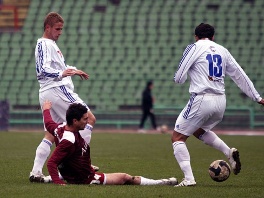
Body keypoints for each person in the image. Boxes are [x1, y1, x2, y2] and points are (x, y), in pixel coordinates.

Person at [172, 23, 264, 187]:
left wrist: (184, 77)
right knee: (198, 130)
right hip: (220, 101)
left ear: (196, 36)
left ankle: (189, 179)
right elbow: (239, 74)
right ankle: (228, 152)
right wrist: (257, 98)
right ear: (213, 37)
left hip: (201, 98)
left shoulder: (194, 47)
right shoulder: (222, 50)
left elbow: (179, 78)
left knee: (177, 138)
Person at [29, 12, 98, 183]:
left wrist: (73, 70)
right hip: (57, 89)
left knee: (51, 134)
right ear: (48, 28)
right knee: (89, 119)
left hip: (48, 92)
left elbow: (58, 67)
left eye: (61, 29)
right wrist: (62, 73)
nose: (60, 32)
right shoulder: (45, 44)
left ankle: (36, 172)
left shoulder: (49, 44)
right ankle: (81, 163)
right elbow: (42, 70)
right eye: (57, 29)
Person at [42, 100, 178, 186]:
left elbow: (49, 123)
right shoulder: (69, 139)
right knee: (125, 178)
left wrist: (46, 108)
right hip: (86, 178)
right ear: (75, 121)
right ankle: (161, 182)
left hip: (78, 170)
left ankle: (50, 178)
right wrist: (59, 183)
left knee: (82, 166)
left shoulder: (60, 128)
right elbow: (51, 162)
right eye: (84, 119)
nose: (87, 121)